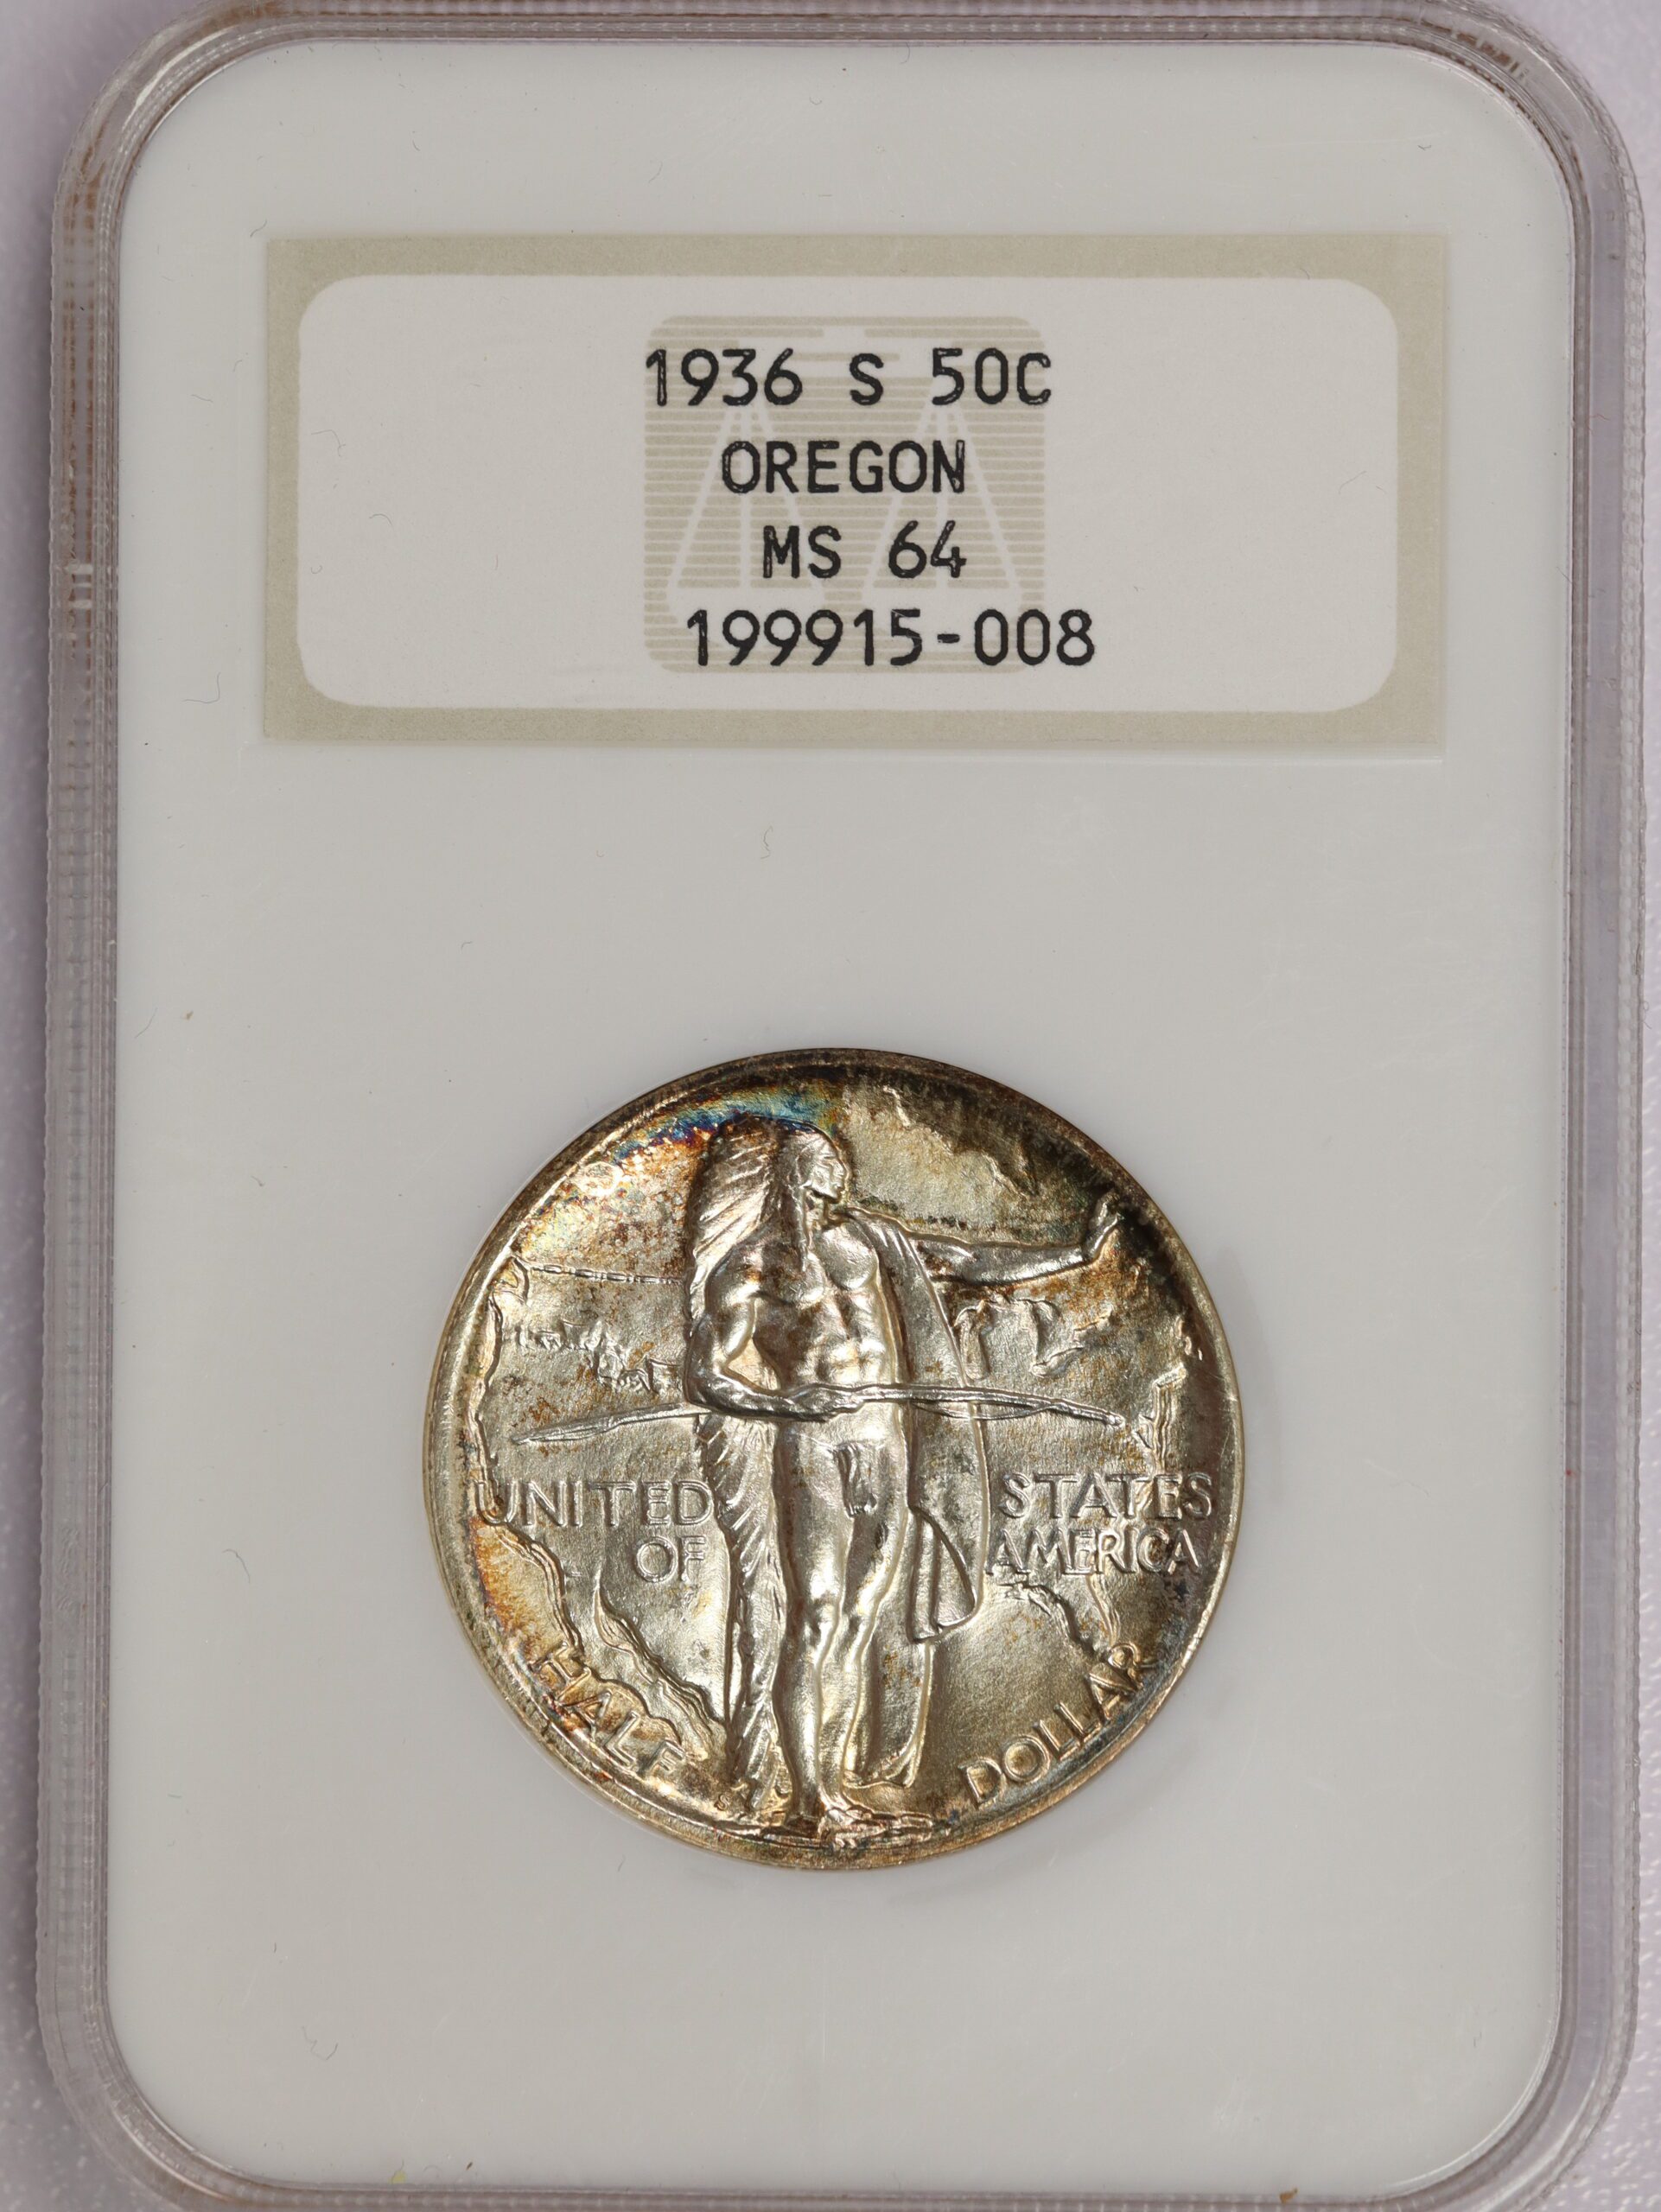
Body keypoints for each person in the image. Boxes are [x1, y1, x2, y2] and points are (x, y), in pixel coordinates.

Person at [684, 1118, 1115, 1836]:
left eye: (835, 1194)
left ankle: (833, 1792)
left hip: (884, 1440)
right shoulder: (748, 1269)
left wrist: (1073, 1252)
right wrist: (783, 1403)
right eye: (816, 1194)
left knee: (858, 1620)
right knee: (817, 1614)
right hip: (814, 1446)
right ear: (789, 1186)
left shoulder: (870, 1242)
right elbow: (703, 1375)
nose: (828, 1206)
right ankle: (808, 1801)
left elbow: (966, 1259)